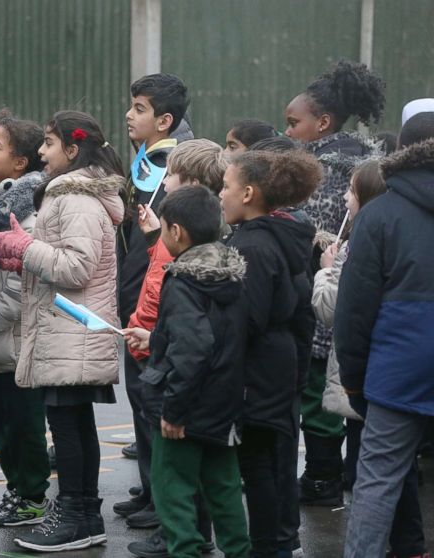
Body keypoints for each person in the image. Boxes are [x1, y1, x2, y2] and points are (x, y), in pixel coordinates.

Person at [0, 110, 124, 552]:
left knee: (68, 429)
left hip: (72, 330)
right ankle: (81, 514)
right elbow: (58, 258)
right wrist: (21, 257)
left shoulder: (76, 200)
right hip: (69, 329)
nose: (42, 152)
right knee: (73, 425)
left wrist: (26, 248)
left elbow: (77, 267)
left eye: (48, 143)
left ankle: (77, 516)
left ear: (73, 149)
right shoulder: (65, 195)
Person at [122, 187, 251, 558]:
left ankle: (186, 551)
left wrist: (173, 410)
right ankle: (239, 551)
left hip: (185, 407)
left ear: (176, 231)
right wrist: (157, 336)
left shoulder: (181, 280)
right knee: (223, 486)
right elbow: (214, 334)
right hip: (223, 404)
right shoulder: (231, 273)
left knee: (173, 489)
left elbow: (193, 349)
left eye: (162, 228)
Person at [284, 59, 386, 507]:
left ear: (322, 122)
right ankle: (346, 474)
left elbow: (313, 230)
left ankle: (322, 478)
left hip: (324, 289)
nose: (287, 132)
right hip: (364, 292)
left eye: (294, 123)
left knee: (318, 389)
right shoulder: (369, 162)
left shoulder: (320, 169)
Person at [338, 113, 434, 558]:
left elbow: (354, 311)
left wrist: (355, 381)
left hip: (399, 365)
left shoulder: (378, 215)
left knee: (377, 477)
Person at [219, 150, 321, 558]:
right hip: (275, 369)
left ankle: (269, 547)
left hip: (257, 374)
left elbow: (246, 320)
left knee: (258, 468)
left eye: (225, 187)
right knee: (263, 465)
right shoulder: (277, 236)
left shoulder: (255, 246)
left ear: (247, 192)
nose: (220, 195)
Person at [116, 73, 190, 531]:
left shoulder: (169, 169)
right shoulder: (146, 162)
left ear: (164, 120)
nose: (129, 114)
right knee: (140, 399)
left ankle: (162, 499)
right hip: (134, 294)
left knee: (151, 399)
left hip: (152, 299)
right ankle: (149, 489)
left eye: (139, 108)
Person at [0, 110, 51, 528]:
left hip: (16, 337)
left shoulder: (28, 211)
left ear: (21, 162)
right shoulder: (0, 198)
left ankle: (34, 496)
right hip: (0, 341)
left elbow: (20, 284)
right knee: (4, 422)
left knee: (24, 423)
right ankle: (18, 491)